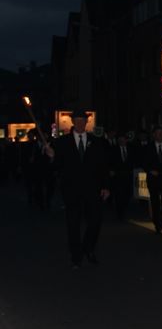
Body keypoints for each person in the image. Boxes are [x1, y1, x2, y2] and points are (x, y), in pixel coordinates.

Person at [45, 111, 110, 268]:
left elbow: (103, 165)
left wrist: (105, 186)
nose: (80, 123)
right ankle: (76, 256)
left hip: (92, 188)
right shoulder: (62, 142)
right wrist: (52, 157)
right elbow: (57, 166)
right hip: (71, 189)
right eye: (77, 120)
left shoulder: (96, 141)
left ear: (86, 122)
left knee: (95, 220)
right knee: (73, 223)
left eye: (83, 120)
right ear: (73, 122)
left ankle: (88, 247)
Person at [109, 133, 134, 220]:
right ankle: (120, 213)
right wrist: (111, 170)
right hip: (118, 175)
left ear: (126, 140)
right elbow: (109, 161)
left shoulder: (131, 149)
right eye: (120, 140)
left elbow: (134, 160)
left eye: (123, 139)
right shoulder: (113, 149)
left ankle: (124, 208)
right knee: (119, 195)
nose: (121, 141)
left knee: (127, 194)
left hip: (128, 175)